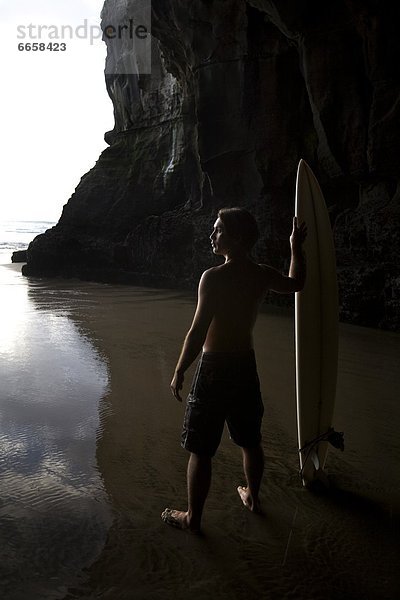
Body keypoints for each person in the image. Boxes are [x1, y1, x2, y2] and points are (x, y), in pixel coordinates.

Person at [161, 207, 307, 533]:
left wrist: (180, 369)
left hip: (214, 369)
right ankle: (253, 498)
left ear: (237, 237)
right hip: (245, 365)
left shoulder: (213, 278)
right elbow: (297, 283)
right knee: (250, 439)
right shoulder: (261, 274)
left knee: (201, 448)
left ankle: (192, 518)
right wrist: (296, 248)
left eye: (218, 230)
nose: (212, 235)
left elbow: (198, 332)